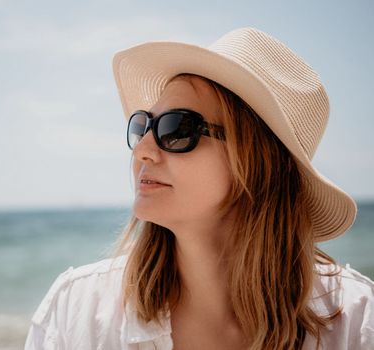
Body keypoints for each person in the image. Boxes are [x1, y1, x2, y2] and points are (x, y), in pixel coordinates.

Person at [24, 27, 374, 350]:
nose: (143, 149)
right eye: (142, 125)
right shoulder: (78, 312)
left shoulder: (357, 324)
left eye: (176, 129)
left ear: (258, 164)